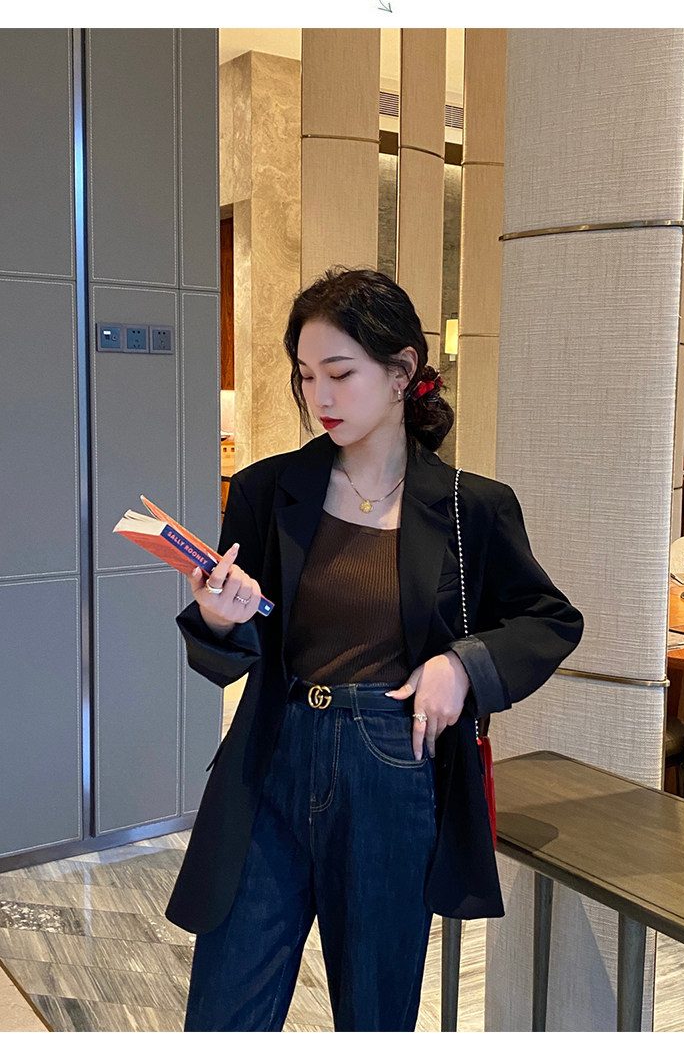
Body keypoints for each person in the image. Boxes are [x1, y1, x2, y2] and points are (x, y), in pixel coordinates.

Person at [166, 267, 584, 1032]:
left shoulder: (470, 506)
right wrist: (221, 619)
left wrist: (462, 665)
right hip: (272, 756)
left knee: (374, 1014)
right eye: (305, 375)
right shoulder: (268, 490)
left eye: (339, 373)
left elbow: (550, 619)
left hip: (394, 765)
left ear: (401, 371)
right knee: (225, 1010)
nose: (319, 396)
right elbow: (236, 648)